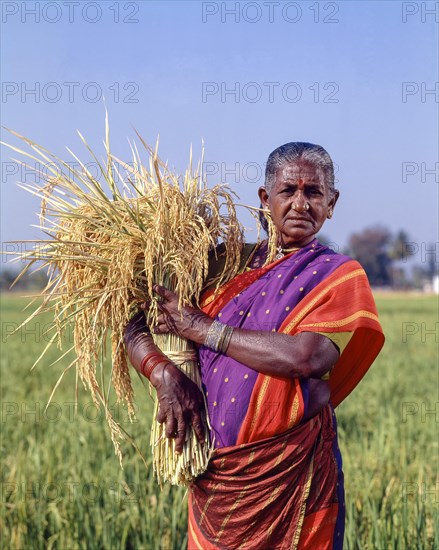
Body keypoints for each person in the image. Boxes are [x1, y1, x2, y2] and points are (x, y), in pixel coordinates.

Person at [124, 142, 385, 549]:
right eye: (288, 191)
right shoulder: (219, 266)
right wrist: (161, 372)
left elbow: (308, 356)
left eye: (313, 193)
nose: (301, 204)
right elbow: (127, 314)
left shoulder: (338, 275)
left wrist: (203, 328)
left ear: (331, 203)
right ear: (266, 198)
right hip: (217, 477)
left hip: (293, 474)